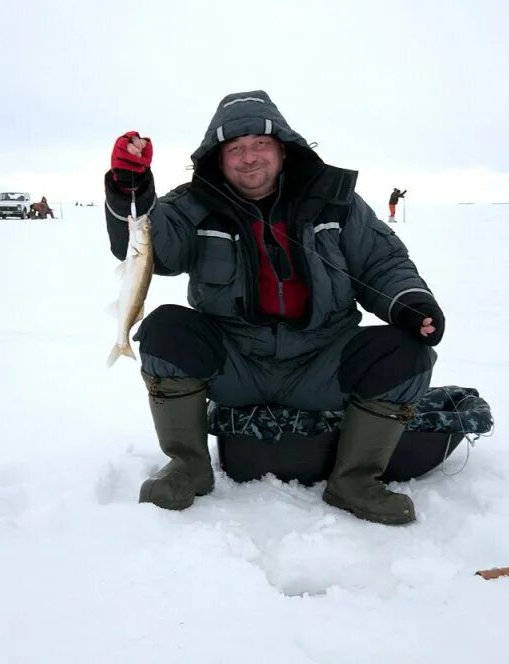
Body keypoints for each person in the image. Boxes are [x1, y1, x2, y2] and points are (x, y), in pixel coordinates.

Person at [103, 91, 444, 525]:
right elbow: (148, 242)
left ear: (283, 148)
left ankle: (354, 481)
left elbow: (381, 261)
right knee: (165, 328)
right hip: (235, 365)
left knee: (405, 350)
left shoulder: (335, 200)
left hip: (322, 364)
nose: (249, 157)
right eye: (235, 148)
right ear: (217, 158)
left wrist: (410, 304)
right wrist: (128, 186)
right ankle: (188, 467)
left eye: (260, 144)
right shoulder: (193, 204)